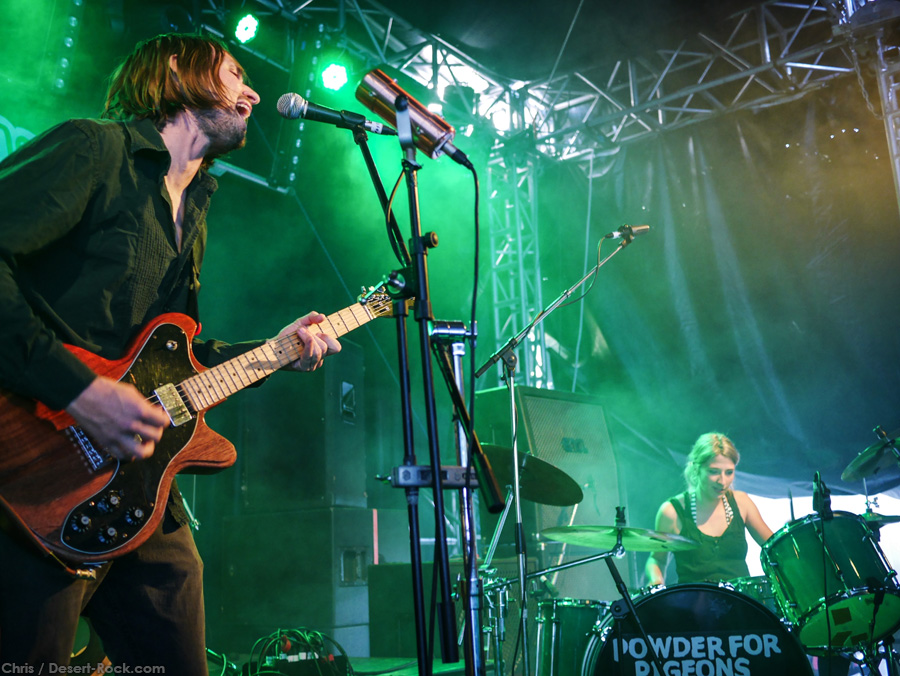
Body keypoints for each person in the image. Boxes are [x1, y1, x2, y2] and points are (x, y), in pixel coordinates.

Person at [0, 33, 341, 671]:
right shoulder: (93, 149)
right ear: (178, 71)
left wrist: (274, 351)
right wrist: (79, 390)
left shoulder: (196, 211)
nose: (253, 92)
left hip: (139, 488)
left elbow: (169, 360)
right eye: (234, 73)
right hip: (34, 466)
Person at [644, 432, 773, 586]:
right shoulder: (671, 511)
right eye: (714, 471)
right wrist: (656, 579)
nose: (722, 481)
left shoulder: (742, 502)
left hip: (739, 599)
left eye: (729, 472)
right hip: (694, 600)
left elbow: (776, 547)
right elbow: (657, 559)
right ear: (696, 469)